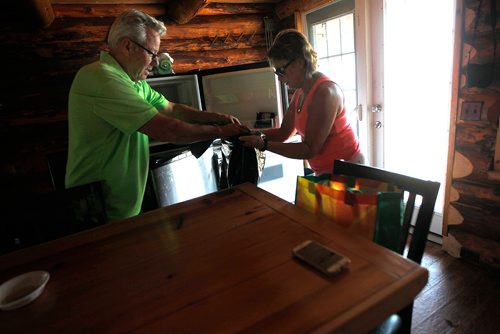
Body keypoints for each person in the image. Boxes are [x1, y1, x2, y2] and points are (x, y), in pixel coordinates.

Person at [65, 9, 245, 221]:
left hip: (119, 206)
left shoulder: (133, 82)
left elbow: (171, 108)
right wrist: (222, 131)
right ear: (127, 46)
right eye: (151, 53)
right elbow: (168, 129)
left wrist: (215, 117)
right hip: (94, 209)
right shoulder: (102, 78)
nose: (155, 62)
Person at [239, 29, 365, 175]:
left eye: (281, 71)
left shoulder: (325, 93)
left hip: (351, 172)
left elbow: (309, 149)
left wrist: (264, 144)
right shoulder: (300, 93)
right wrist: (252, 133)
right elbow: (283, 133)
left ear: (299, 62)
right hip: (326, 173)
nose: (279, 78)